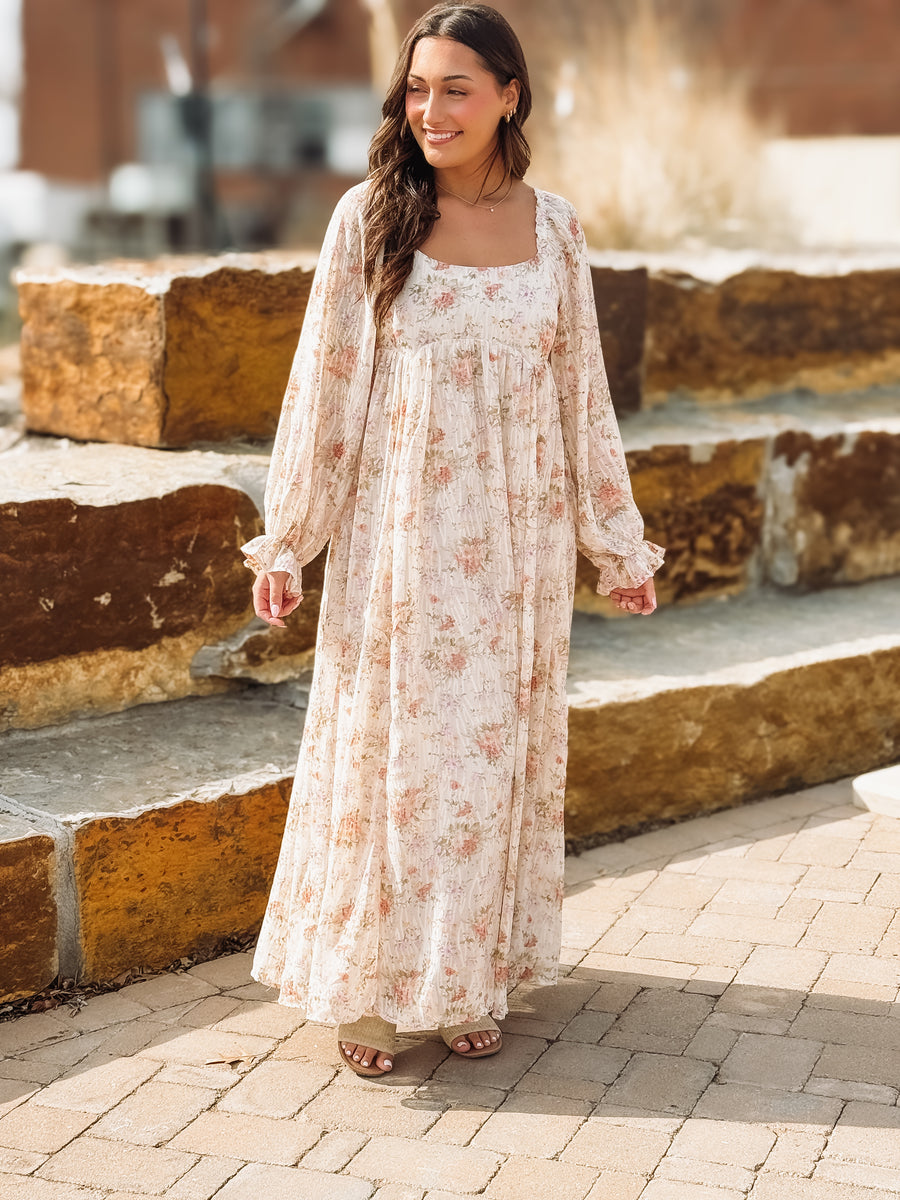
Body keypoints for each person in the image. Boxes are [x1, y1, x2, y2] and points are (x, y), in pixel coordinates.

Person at [241, 2, 663, 1078]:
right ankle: (374, 993)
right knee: (398, 764)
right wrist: (289, 537)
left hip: (515, 558)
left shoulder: (555, 228)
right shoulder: (369, 218)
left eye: (457, 88)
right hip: (402, 549)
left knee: (486, 768)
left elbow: (582, 398)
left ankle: (468, 974)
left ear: (510, 95)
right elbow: (325, 389)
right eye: (418, 89)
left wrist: (615, 542)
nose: (431, 110)